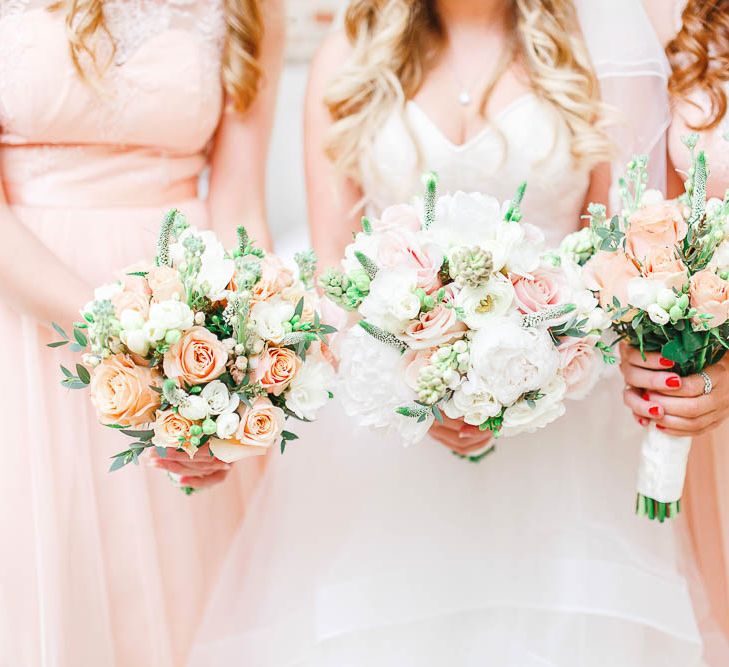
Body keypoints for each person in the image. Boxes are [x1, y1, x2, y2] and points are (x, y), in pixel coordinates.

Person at [189, 2, 712, 665]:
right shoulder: (348, 57)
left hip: (566, 436)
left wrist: (526, 371)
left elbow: (612, 260)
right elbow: (334, 275)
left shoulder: (589, 52)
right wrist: (421, 378)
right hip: (389, 442)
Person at [0, 0, 283, 664]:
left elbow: (240, 206)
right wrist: (125, 337)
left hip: (189, 336)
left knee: (187, 600)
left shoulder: (251, 7)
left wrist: (239, 376)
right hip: (26, 318)